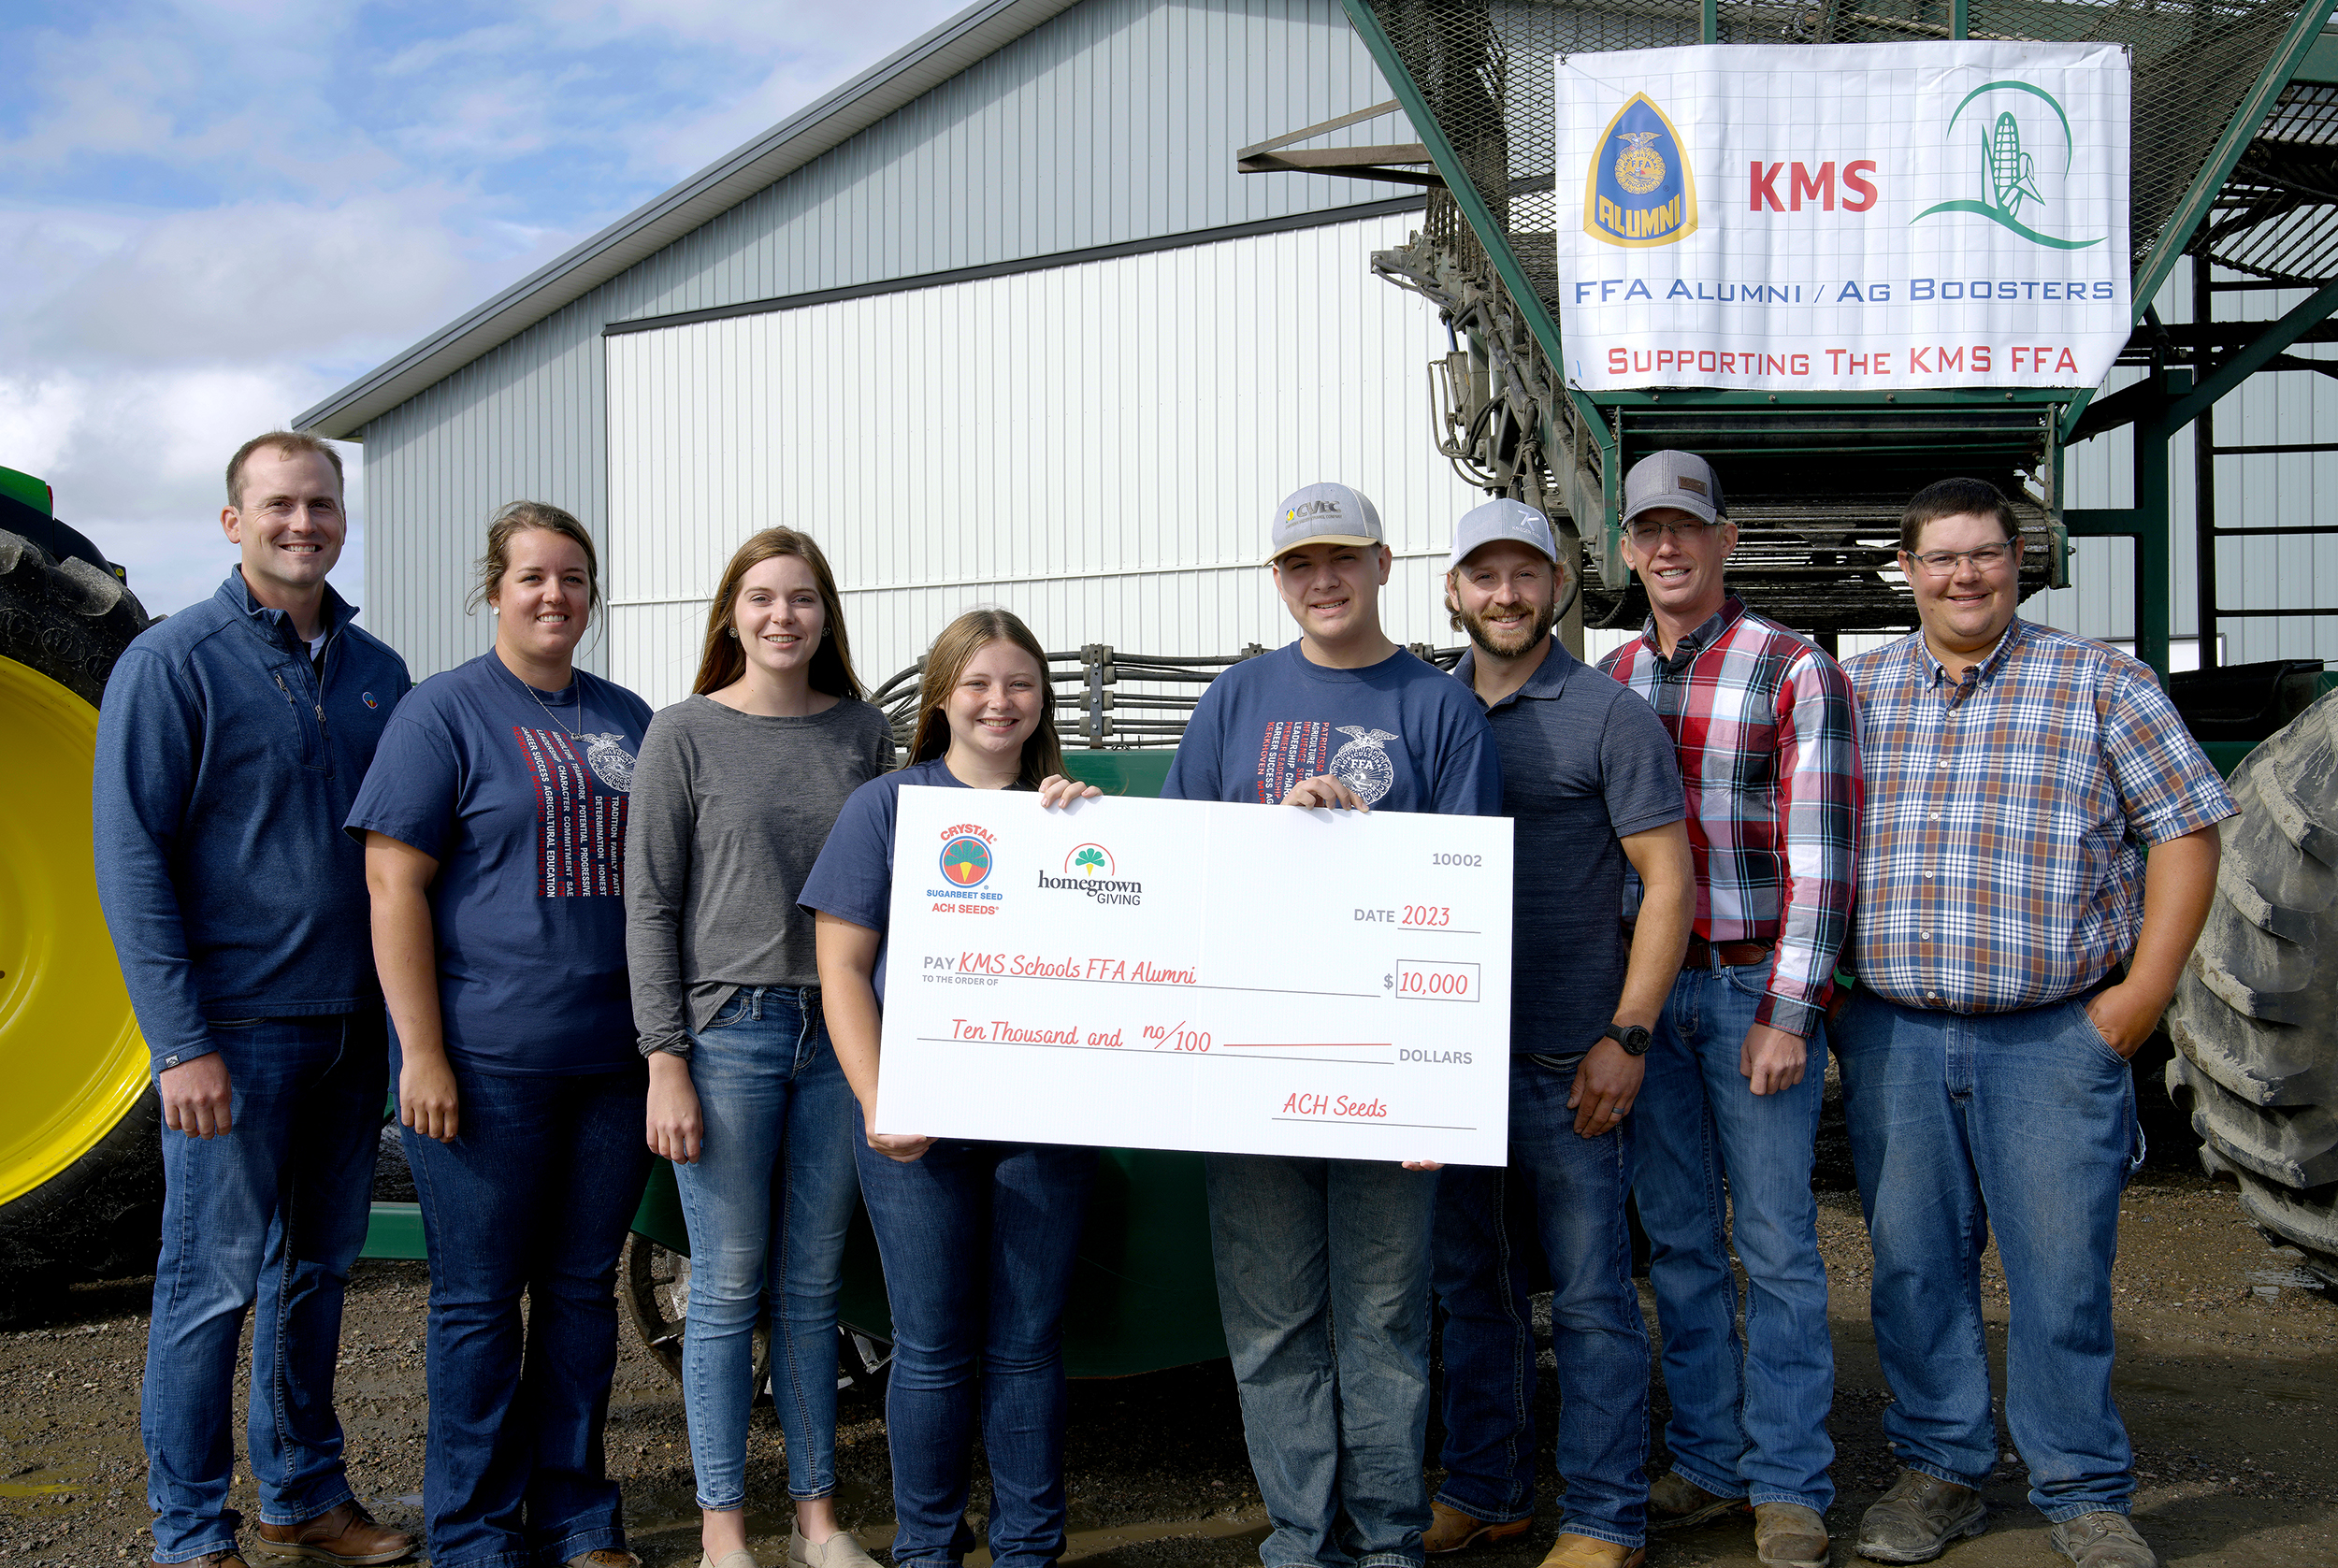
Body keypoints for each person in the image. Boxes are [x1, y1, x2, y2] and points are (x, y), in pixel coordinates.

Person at [1835, 481, 2231, 1568]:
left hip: (2052, 1034)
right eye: (1941, 557)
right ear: (1905, 572)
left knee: (2060, 1268)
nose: (1965, 575)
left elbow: (2186, 832)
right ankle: (1940, 1469)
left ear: (2021, 560)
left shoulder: (2103, 683)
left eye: (1985, 554)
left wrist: (2138, 1000)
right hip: (1894, 1033)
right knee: (1913, 1263)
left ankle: (2081, 1487)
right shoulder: (1853, 693)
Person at [1158, 482, 1502, 1568]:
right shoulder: (1234, 701)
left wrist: (1443, 1087)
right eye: (1301, 564)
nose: (1322, 580)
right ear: (1277, 579)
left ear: (1383, 564)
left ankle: (1389, 1538)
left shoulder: (1439, 708)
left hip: (1387, 1073)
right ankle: (1301, 1541)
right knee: (1270, 1324)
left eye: (1341, 559)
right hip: (1253, 1070)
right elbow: (1179, 871)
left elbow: (1469, 904)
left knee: (1387, 1320)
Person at [93, 431, 413, 1568]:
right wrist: (179, 1042)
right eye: (277, 505)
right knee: (208, 1282)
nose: (303, 523)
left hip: (350, 1034)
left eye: (320, 504)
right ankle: (189, 1531)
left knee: (314, 1276)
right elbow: (132, 862)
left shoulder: (380, 673)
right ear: (233, 522)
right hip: (231, 1035)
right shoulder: (174, 665)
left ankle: (301, 1495)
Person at [348, 501, 656, 1568]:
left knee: (579, 1295)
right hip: (482, 1064)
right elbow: (393, 886)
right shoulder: (443, 714)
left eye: (573, 577)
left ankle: (573, 1511)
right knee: (479, 1303)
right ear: (495, 591)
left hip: (611, 1065)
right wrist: (420, 1052)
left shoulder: (629, 719)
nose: (554, 595)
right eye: (532, 576)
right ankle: (472, 1526)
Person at [1595, 451, 1859, 1568]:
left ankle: (1791, 1484)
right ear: (1623, 549)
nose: (1667, 548)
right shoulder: (1605, 676)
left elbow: (1823, 855)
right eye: (1647, 530)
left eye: (1686, 529)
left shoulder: (1792, 670)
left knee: (1779, 1245)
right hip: (1650, 996)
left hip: (1750, 982)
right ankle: (1708, 1461)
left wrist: (1789, 1011)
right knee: (1681, 1243)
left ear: (1726, 540)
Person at [1425, 499, 1695, 1568]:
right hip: (1444, 1059)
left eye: (1524, 574)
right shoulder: (1421, 711)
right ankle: (1486, 1490)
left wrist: (1625, 1036)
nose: (1504, 593)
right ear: (1451, 590)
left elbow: (1666, 881)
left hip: (1564, 1058)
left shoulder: (1607, 714)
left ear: (1559, 585)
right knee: (1469, 1292)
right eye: (1482, 575)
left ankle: (1603, 1516)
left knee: (1588, 1299)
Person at [800, 608, 1099, 1568]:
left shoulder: (1071, 815)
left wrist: (1097, 836)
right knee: (929, 1349)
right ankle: (926, 1546)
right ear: (940, 699)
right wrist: (882, 1097)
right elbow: (841, 969)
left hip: (1042, 1118)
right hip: (913, 1125)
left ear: (1042, 699)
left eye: (1018, 683)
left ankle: (1028, 1547)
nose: (999, 701)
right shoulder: (888, 807)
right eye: (977, 683)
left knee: (1025, 1347)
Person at [625, 529, 894, 1568]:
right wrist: (663, 1057)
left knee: (817, 1286)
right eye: (762, 598)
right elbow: (649, 906)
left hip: (838, 1035)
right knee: (729, 1284)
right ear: (730, 615)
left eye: (803, 599)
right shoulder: (681, 734)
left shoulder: (864, 736)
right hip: (725, 1034)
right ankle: (723, 1531)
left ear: (827, 616)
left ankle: (819, 1522)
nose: (783, 617)